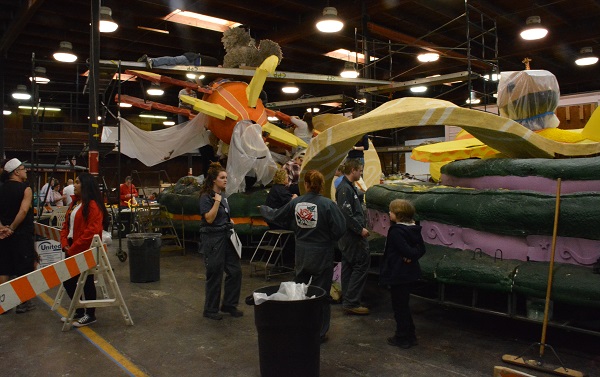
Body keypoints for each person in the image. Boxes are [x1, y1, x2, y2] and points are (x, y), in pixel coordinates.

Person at [260, 170, 346, 342]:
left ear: (305, 185)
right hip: (322, 254)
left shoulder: (296, 203)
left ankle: (298, 325)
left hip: (302, 253)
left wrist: (264, 209)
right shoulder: (328, 205)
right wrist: (329, 239)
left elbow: (277, 215)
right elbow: (340, 228)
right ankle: (319, 333)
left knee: (298, 290)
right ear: (322, 185)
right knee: (321, 294)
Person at [60, 173, 110, 327]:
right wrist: (64, 243)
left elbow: (92, 231)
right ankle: (81, 310)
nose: (74, 185)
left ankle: (90, 314)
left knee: (86, 281)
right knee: (68, 281)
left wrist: (73, 248)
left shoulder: (93, 206)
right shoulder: (74, 204)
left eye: (77, 182)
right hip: (71, 248)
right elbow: (65, 225)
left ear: (85, 185)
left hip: (84, 249)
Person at [199, 162, 243, 320]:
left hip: (226, 235)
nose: (225, 180)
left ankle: (229, 304)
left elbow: (221, 214)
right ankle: (210, 309)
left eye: (226, 177)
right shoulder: (206, 197)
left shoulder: (223, 196)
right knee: (215, 273)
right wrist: (216, 202)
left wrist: (228, 220)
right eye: (222, 178)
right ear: (213, 180)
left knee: (235, 271)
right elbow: (209, 219)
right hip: (213, 239)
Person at [381, 199, 426, 349]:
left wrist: (409, 255)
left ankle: (402, 338)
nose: (389, 213)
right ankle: (410, 335)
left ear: (398, 215)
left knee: (399, 308)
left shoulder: (396, 232)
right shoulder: (414, 228)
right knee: (404, 306)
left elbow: (407, 250)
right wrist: (412, 256)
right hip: (409, 273)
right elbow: (421, 249)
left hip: (398, 273)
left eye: (391, 211)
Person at [0, 158, 38, 313]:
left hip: (2, 235)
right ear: (16, 172)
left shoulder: (1, 188)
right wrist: (13, 228)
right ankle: (23, 302)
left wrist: (2, 228)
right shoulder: (25, 188)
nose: (25, 170)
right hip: (21, 234)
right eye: (23, 168)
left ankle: (3, 303)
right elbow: (23, 211)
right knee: (24, 268)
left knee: (4, 267)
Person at [336, 158, 371, 315]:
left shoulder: (348, 187)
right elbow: (345, 213)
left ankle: (348, 299)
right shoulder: (345, 189)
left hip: (349, 236)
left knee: (349, 266)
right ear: (353, 171)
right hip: (352, 236)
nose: (361, 173)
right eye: (360, 170)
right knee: (360, 265)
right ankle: (351, 301)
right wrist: (359, 229)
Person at [138, 52, 220, 69]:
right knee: (172, 60)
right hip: (189, 59)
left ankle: (153, 62)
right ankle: (151, 60)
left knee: (171, 63)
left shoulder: (213, 68)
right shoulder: (215, 62)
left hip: (190, 63)